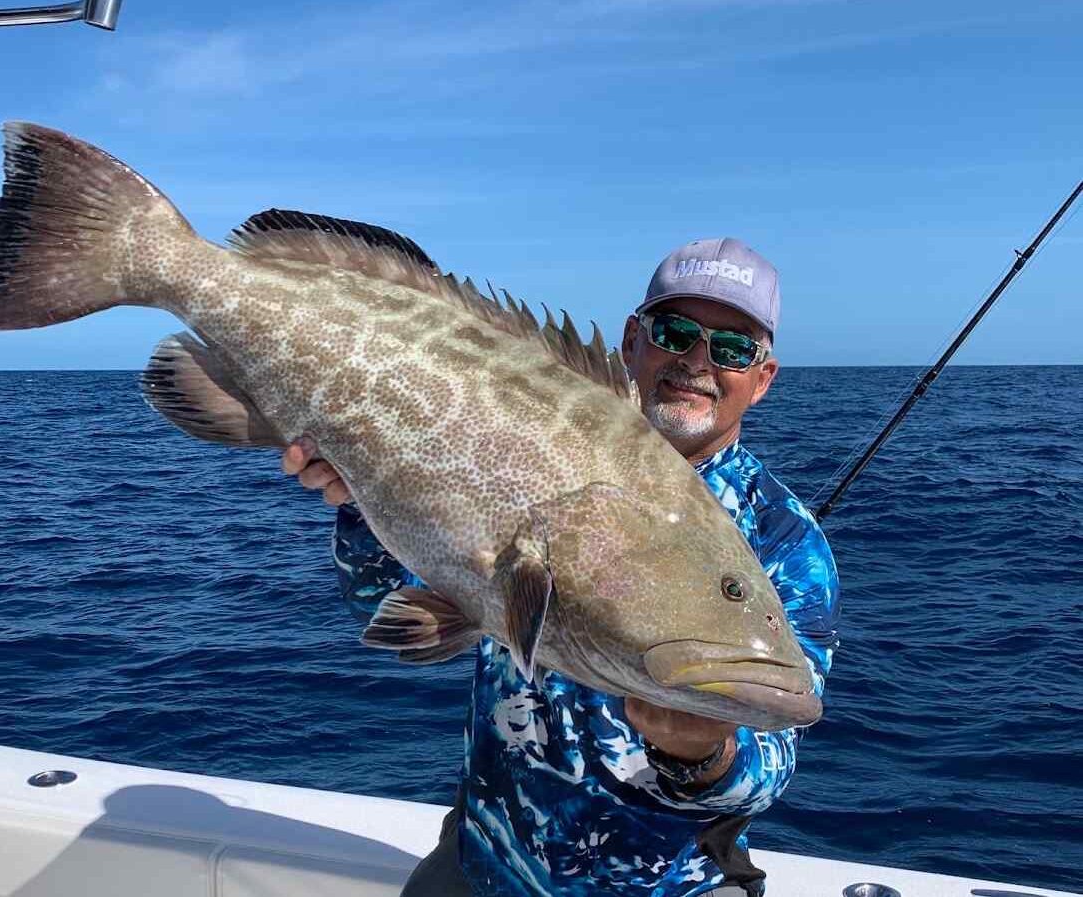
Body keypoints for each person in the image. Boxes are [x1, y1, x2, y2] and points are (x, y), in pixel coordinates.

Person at [282, 238, 840, 897]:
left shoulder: (783, 537)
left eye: (731, 347)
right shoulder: (512, 435)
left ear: (763, 376)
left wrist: (707, 754)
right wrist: (364, 501)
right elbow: (382, 603)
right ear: (635, 339)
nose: (696, 361)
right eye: (676, 331)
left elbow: (777, 752)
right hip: (489, 861)